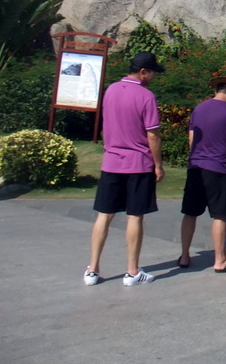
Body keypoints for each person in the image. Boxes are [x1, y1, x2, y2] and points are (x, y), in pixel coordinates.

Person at [85, 51, 164, 286]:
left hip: (111, 161)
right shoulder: (146, 96)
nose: (152, 77)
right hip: (138, 163)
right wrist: (158, 164)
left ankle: (92, 269)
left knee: (104, 214)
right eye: (151, 72)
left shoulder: (110, 90)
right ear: (143, 72)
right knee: (135, 216)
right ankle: (132, 271)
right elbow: (153, 135)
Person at [179, 75, 226, 273]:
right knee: (220, 215)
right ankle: (220, 260)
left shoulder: (199, 109)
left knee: (190, 212)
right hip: (218, 166)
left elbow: (192, 138)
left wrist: (195, 158)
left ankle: (184, 255)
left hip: (196, 165)